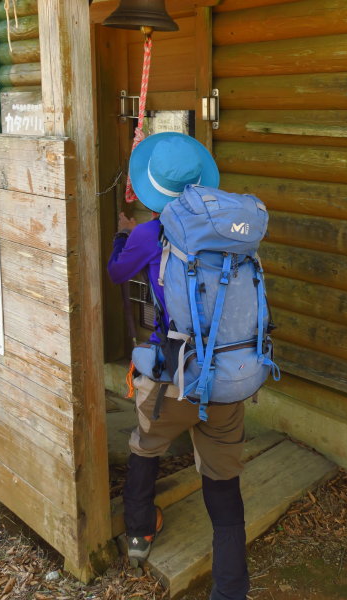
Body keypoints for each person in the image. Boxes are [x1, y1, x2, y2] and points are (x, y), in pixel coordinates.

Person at [108, 132, 249, 600]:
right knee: (223, 479)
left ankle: (139, 532)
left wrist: (123, 236)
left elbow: (117, 273)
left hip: (172, 375)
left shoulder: (149, 234)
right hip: (227, 373)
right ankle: (230, 588)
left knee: (145, 445)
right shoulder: (233, 232)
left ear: (152, 188)